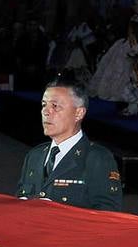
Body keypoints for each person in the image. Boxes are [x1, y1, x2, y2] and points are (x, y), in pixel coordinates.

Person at [15, 80, 121, 210]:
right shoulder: (35, 155)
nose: (45, 112)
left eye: (55, 106)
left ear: (78, 113)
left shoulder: (97, 159)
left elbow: (107, 216)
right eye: (44, 105)